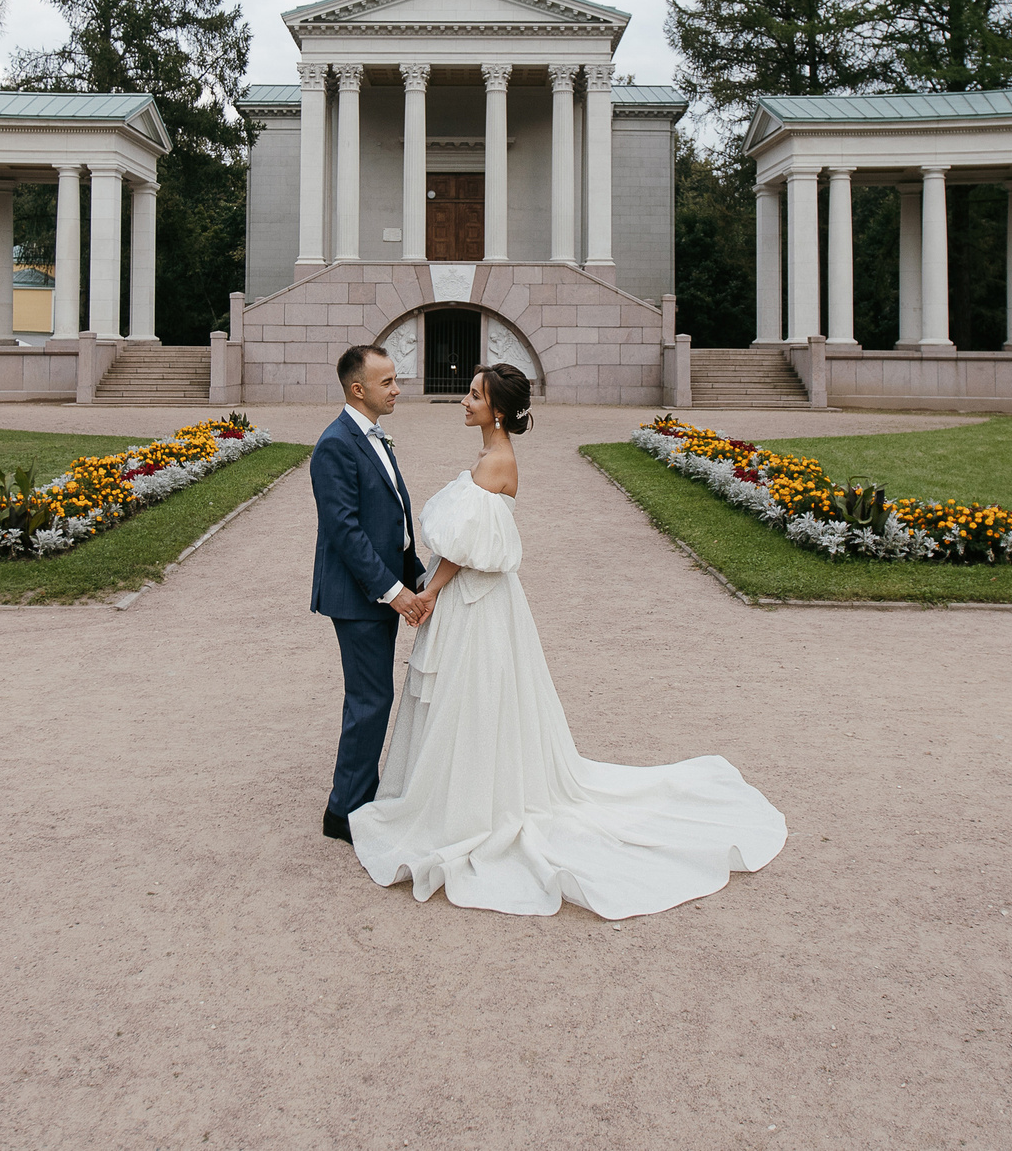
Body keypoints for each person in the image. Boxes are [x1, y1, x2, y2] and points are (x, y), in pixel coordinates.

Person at [349, 362, 788, 918]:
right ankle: (456, 791)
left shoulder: (499, 459)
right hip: (475, 599)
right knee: (473, 699)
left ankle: (469, 805)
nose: (464, 400)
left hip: (475, 602)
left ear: (498, 411)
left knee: (477, 697)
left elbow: (464, 548)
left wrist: (428, 594)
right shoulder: (489, 455)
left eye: (474, 395)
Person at [309, 343, 427, 842]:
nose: (398, 389)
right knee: (370, 698)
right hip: (359, 597)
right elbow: (346, 532)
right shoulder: (335, 443)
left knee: (374, 696)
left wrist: (418, 575)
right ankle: (345, 811)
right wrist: (394, 591)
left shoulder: (373, 437)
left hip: (383, 586)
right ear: (358, 389)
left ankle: (360, 794)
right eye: (388, 382)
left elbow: (392, 520)